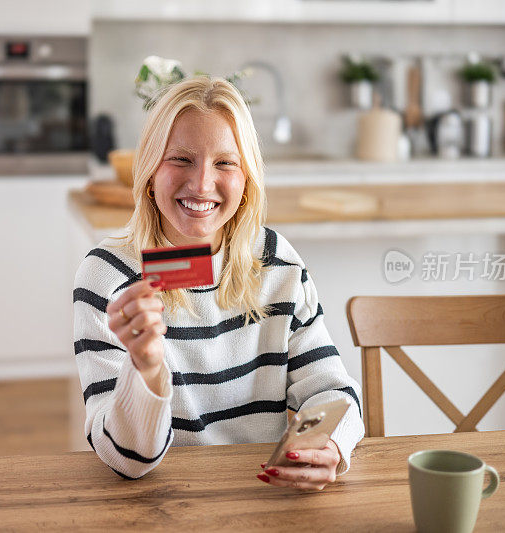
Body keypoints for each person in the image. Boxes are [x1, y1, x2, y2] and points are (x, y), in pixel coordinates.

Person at [73, 76, 364, 490]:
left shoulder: (276, 262)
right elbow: (128, 461)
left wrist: (329, 444)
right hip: (157, 503)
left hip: (261, 497)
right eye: (180, 159)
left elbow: (333, 390)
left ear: (246, 181)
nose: (202, 183)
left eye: (225, 163)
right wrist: (147, 368)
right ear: (150, 171)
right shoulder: (108, 276)